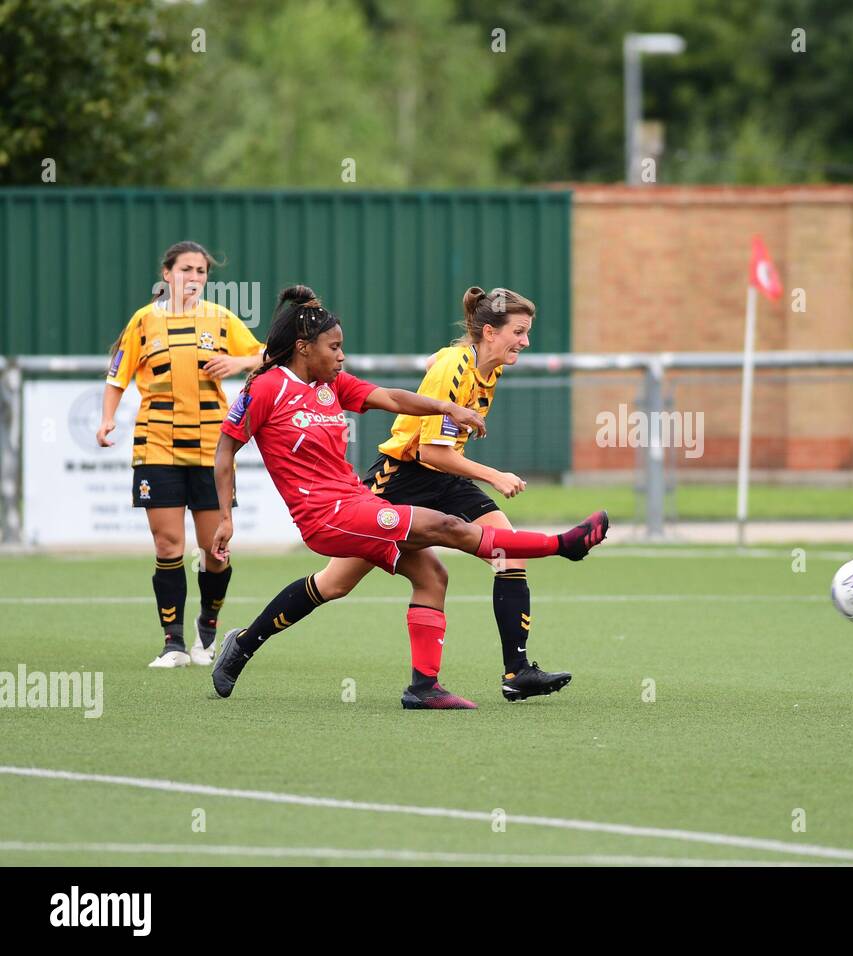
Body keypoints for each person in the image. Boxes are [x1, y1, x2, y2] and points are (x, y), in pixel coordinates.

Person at [210, 285, 609, 709]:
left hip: (359, 502)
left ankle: (422, 687)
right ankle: (562, 545)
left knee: (426, 576)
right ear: (304, 348)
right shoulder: (267, 387)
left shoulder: (331, 385)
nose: (342, 356)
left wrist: (446, 408)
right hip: (332, 511)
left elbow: (393, 398)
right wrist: (225, 518)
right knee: (446, 528)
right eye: (335, 346)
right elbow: (225, 450)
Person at [333, 286, 566, 701]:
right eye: (519, 331)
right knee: (335, 584)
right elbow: (430, 451)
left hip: (443, 478)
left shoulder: (488, 367)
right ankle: (244, 642)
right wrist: (494, 475)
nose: (526, 341)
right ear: (490, 332)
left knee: (508, 553)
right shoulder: (457, 366)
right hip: (402, 477)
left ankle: (517, 673)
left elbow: (442, 445)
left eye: (527, 332)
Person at [96, 240, 263, 669]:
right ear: (167, 273)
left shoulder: (222, 319)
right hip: (157, 447)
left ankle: (207, 630)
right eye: (186, 269)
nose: (193, 277)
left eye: (201, 271)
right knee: (168, 544)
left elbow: (265, 354)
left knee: (215, 550)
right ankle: (173, 643)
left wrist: (237, 363)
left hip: (212, 448)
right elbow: (117, 375)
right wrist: (107, 419)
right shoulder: (143, 322)